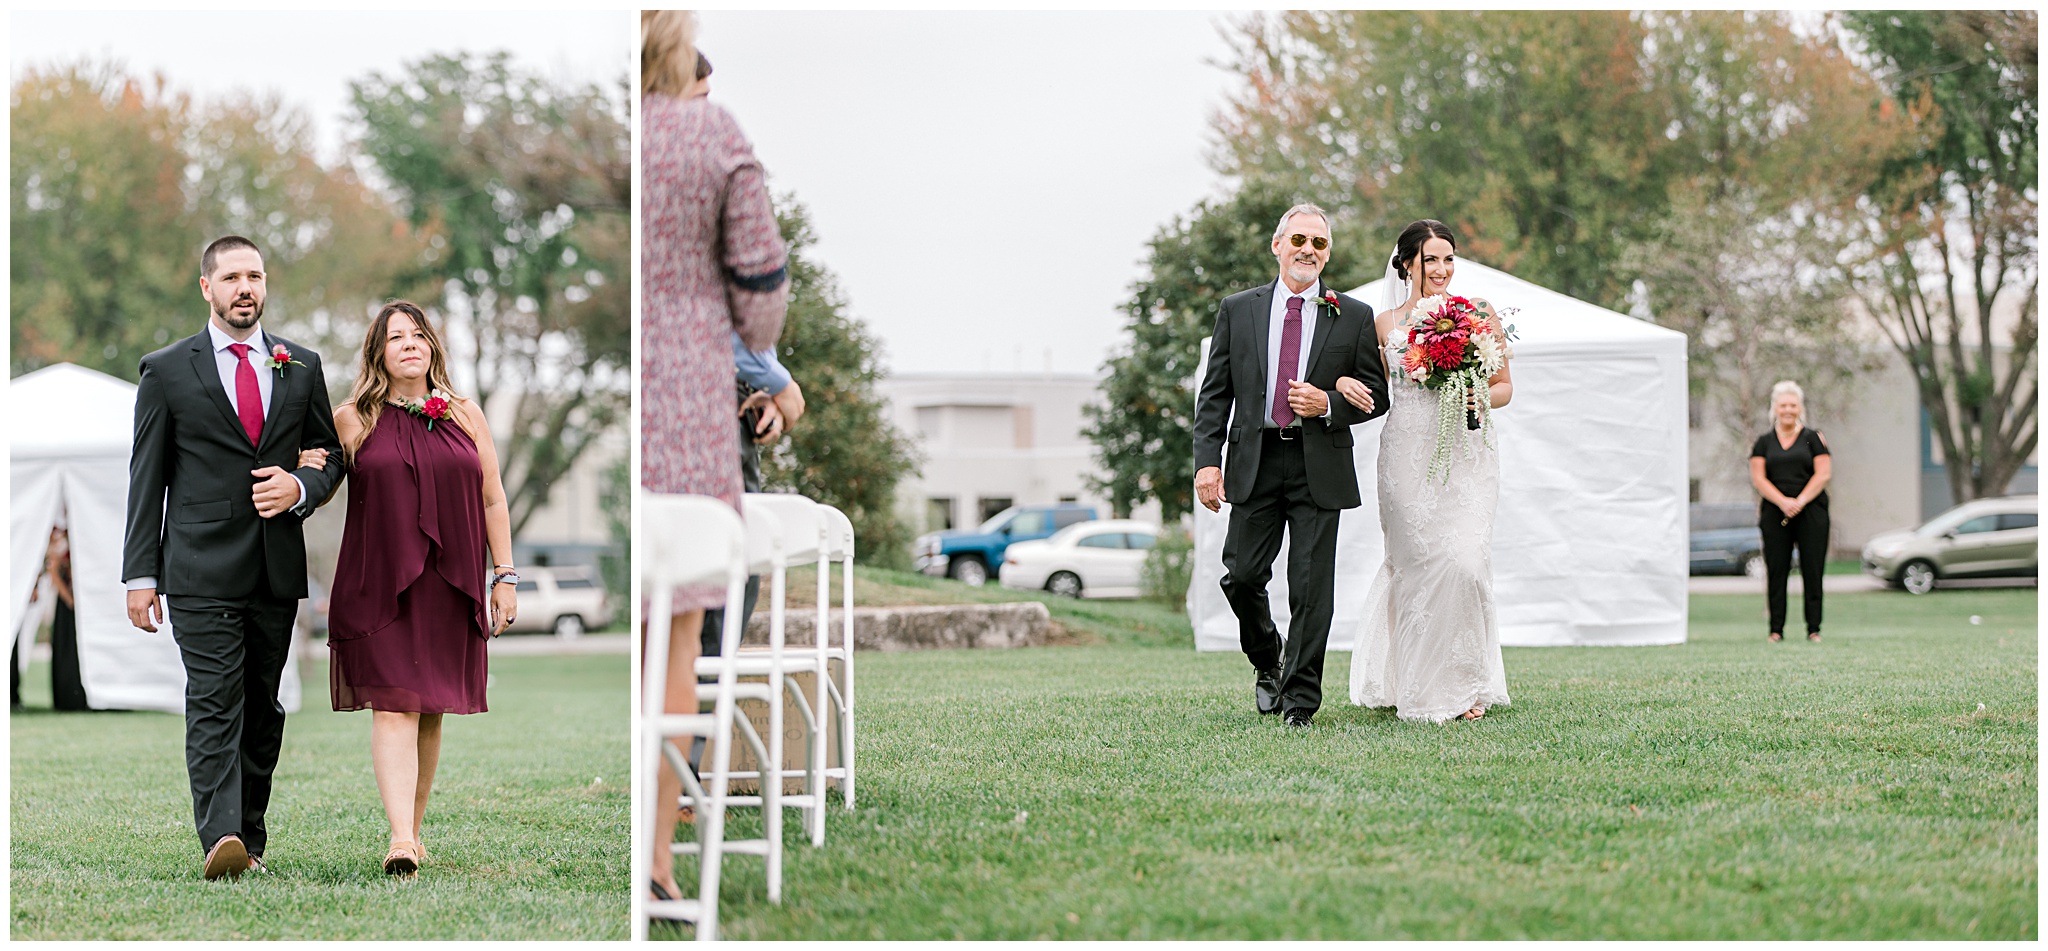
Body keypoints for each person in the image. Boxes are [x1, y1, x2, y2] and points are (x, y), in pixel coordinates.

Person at [122, 235, 345, 880]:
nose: (245, 288)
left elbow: (328, 454)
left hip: (275, 571)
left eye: (255, 276)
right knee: (216, 699)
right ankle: (220, 837)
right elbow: (147, 479)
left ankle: (250, 835)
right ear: (207, 288)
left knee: (263, 708)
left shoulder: (299, 365)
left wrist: (300, 487)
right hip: (197, 570)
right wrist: (141, 575)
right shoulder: (165, 370)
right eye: (232, 278)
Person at [640, 8, 789, 905]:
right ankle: (655, 861)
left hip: (636, 398)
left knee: (656, 628)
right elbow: (762, 294)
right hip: (689, 405)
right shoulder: (709, 131)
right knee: (681, 627)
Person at [298, 299, 517, 876]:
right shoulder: (352, 419)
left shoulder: (465, 413)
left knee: (431, 710)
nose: (409, 344)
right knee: (394, 706)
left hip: (452, 584)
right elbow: (316, 470)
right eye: (396, 337)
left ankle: (412, 832)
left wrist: (505, 576)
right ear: (379, 353)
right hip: (381, 585)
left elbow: (493, 498)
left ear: (433, 348)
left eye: (418, 335)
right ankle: (399, 839)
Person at [1193, 203, 1389, 728]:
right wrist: (1206, 464)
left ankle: (1300, 701)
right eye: (1299, 239)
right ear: (1277, 245)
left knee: (1310, 589)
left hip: (1317, 465)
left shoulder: (1354, 315)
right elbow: (1215, 396)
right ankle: (1267, 660)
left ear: (1328, 253)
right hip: (1254, 460)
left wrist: (1328, 402)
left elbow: (1378, 395)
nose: (1309, 250)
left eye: (1319, 244)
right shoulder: (1239, 310)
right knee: (1241, 577)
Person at [1342, 219, 1514, 723]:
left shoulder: (1478, 314)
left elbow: (1503, 387)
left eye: (1448, 258)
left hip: (1467, 450)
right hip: (1406, 455)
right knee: (1415, 566)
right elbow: (1374, 386)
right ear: (1406, 263)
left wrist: (1468, 389)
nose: (1441, 269)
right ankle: (1413, 683)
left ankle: (1466, 685)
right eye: (1430, 259)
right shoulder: (1383, 324)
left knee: (1463, 560)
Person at [1749, 380, 1830, 643]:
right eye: (1783, 405)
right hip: (1775, 512)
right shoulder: (1763, 442)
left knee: (1813, 569)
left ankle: (1814, 629)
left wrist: (1800, 500)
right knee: (1777, 569)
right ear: (1774, 408)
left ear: (1800, 408)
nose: (1788, 409)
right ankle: (1776, 630)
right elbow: (1759, 479)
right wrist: (1783, 501)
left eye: (1792, 405)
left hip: (1811, 511)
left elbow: (1823, 474)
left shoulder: (1813, 438)